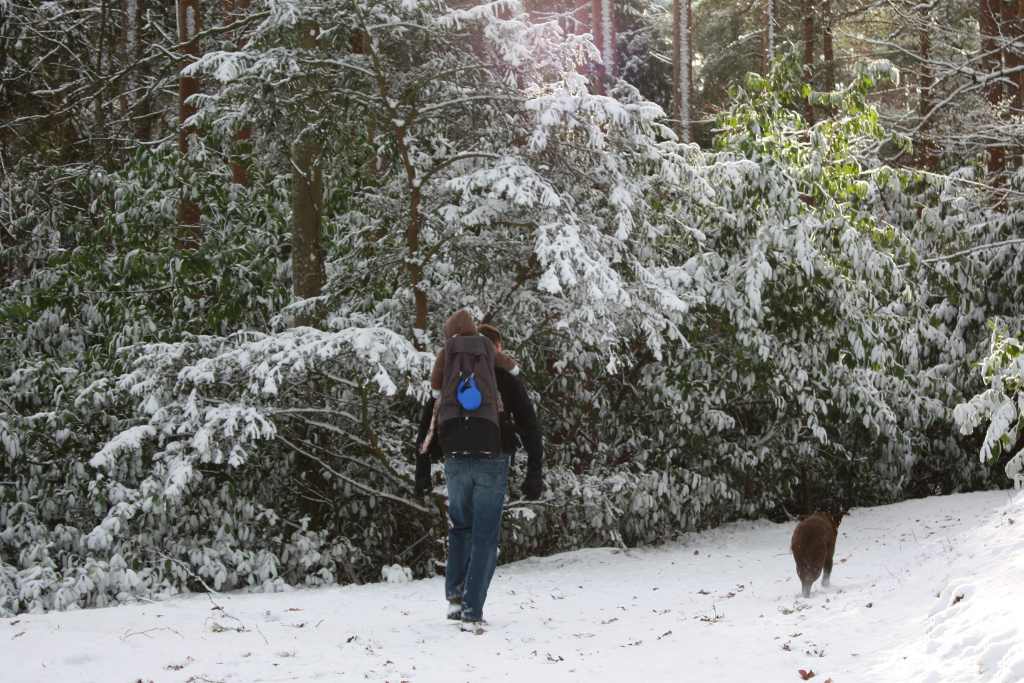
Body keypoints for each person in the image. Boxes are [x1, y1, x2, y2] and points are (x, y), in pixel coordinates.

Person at [415, 315, 544, 632]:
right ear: (493, 347)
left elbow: (427, 421)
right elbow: (530, 424)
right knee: (485, 535)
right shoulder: (502, 374)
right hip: (492, 457)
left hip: (455, 457)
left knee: (461, 527)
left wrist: (422, 467)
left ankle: (456, 598)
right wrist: (534, 471)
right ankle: (472, 610)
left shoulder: (448, 370)